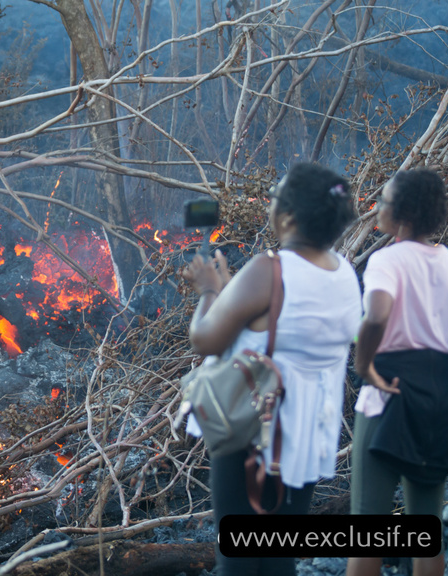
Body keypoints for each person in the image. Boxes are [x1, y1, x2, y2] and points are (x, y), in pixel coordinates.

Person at [182, 163, 362, 576]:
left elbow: (205, 339)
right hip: (307, 435)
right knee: (279, 551)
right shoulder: (344, 273)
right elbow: (278, 330)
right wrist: (230, 292)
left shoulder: (270, 269)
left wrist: (210, 289)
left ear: (288, 216)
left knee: (238, 554)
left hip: (254, 429)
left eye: (276, 195)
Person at [346, 169, 448, 576]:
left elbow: (377, 314)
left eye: (383, 201)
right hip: (441, 398)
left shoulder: (386, 259)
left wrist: (364, 365)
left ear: (403, 213)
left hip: (390, 392)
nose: (376, 207)